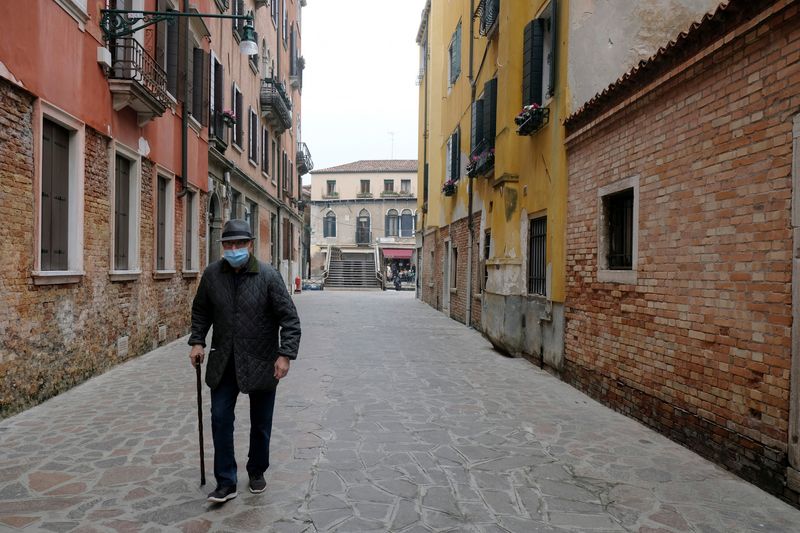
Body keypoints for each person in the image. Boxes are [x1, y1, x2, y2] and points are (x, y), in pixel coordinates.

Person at [188, 219, 301, 504]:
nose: (234, 248)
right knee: (220, 418)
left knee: (261, 422)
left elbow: (289, 319)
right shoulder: (212, 275)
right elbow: (201, 311)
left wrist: (285, 355)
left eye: (240, 244)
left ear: (251, 245)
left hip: (262, 359)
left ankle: (256, 470)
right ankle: (226, 481)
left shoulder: (268, 276)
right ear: (223, 246)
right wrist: (198, 341)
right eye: (229, 244)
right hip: (224, 360)